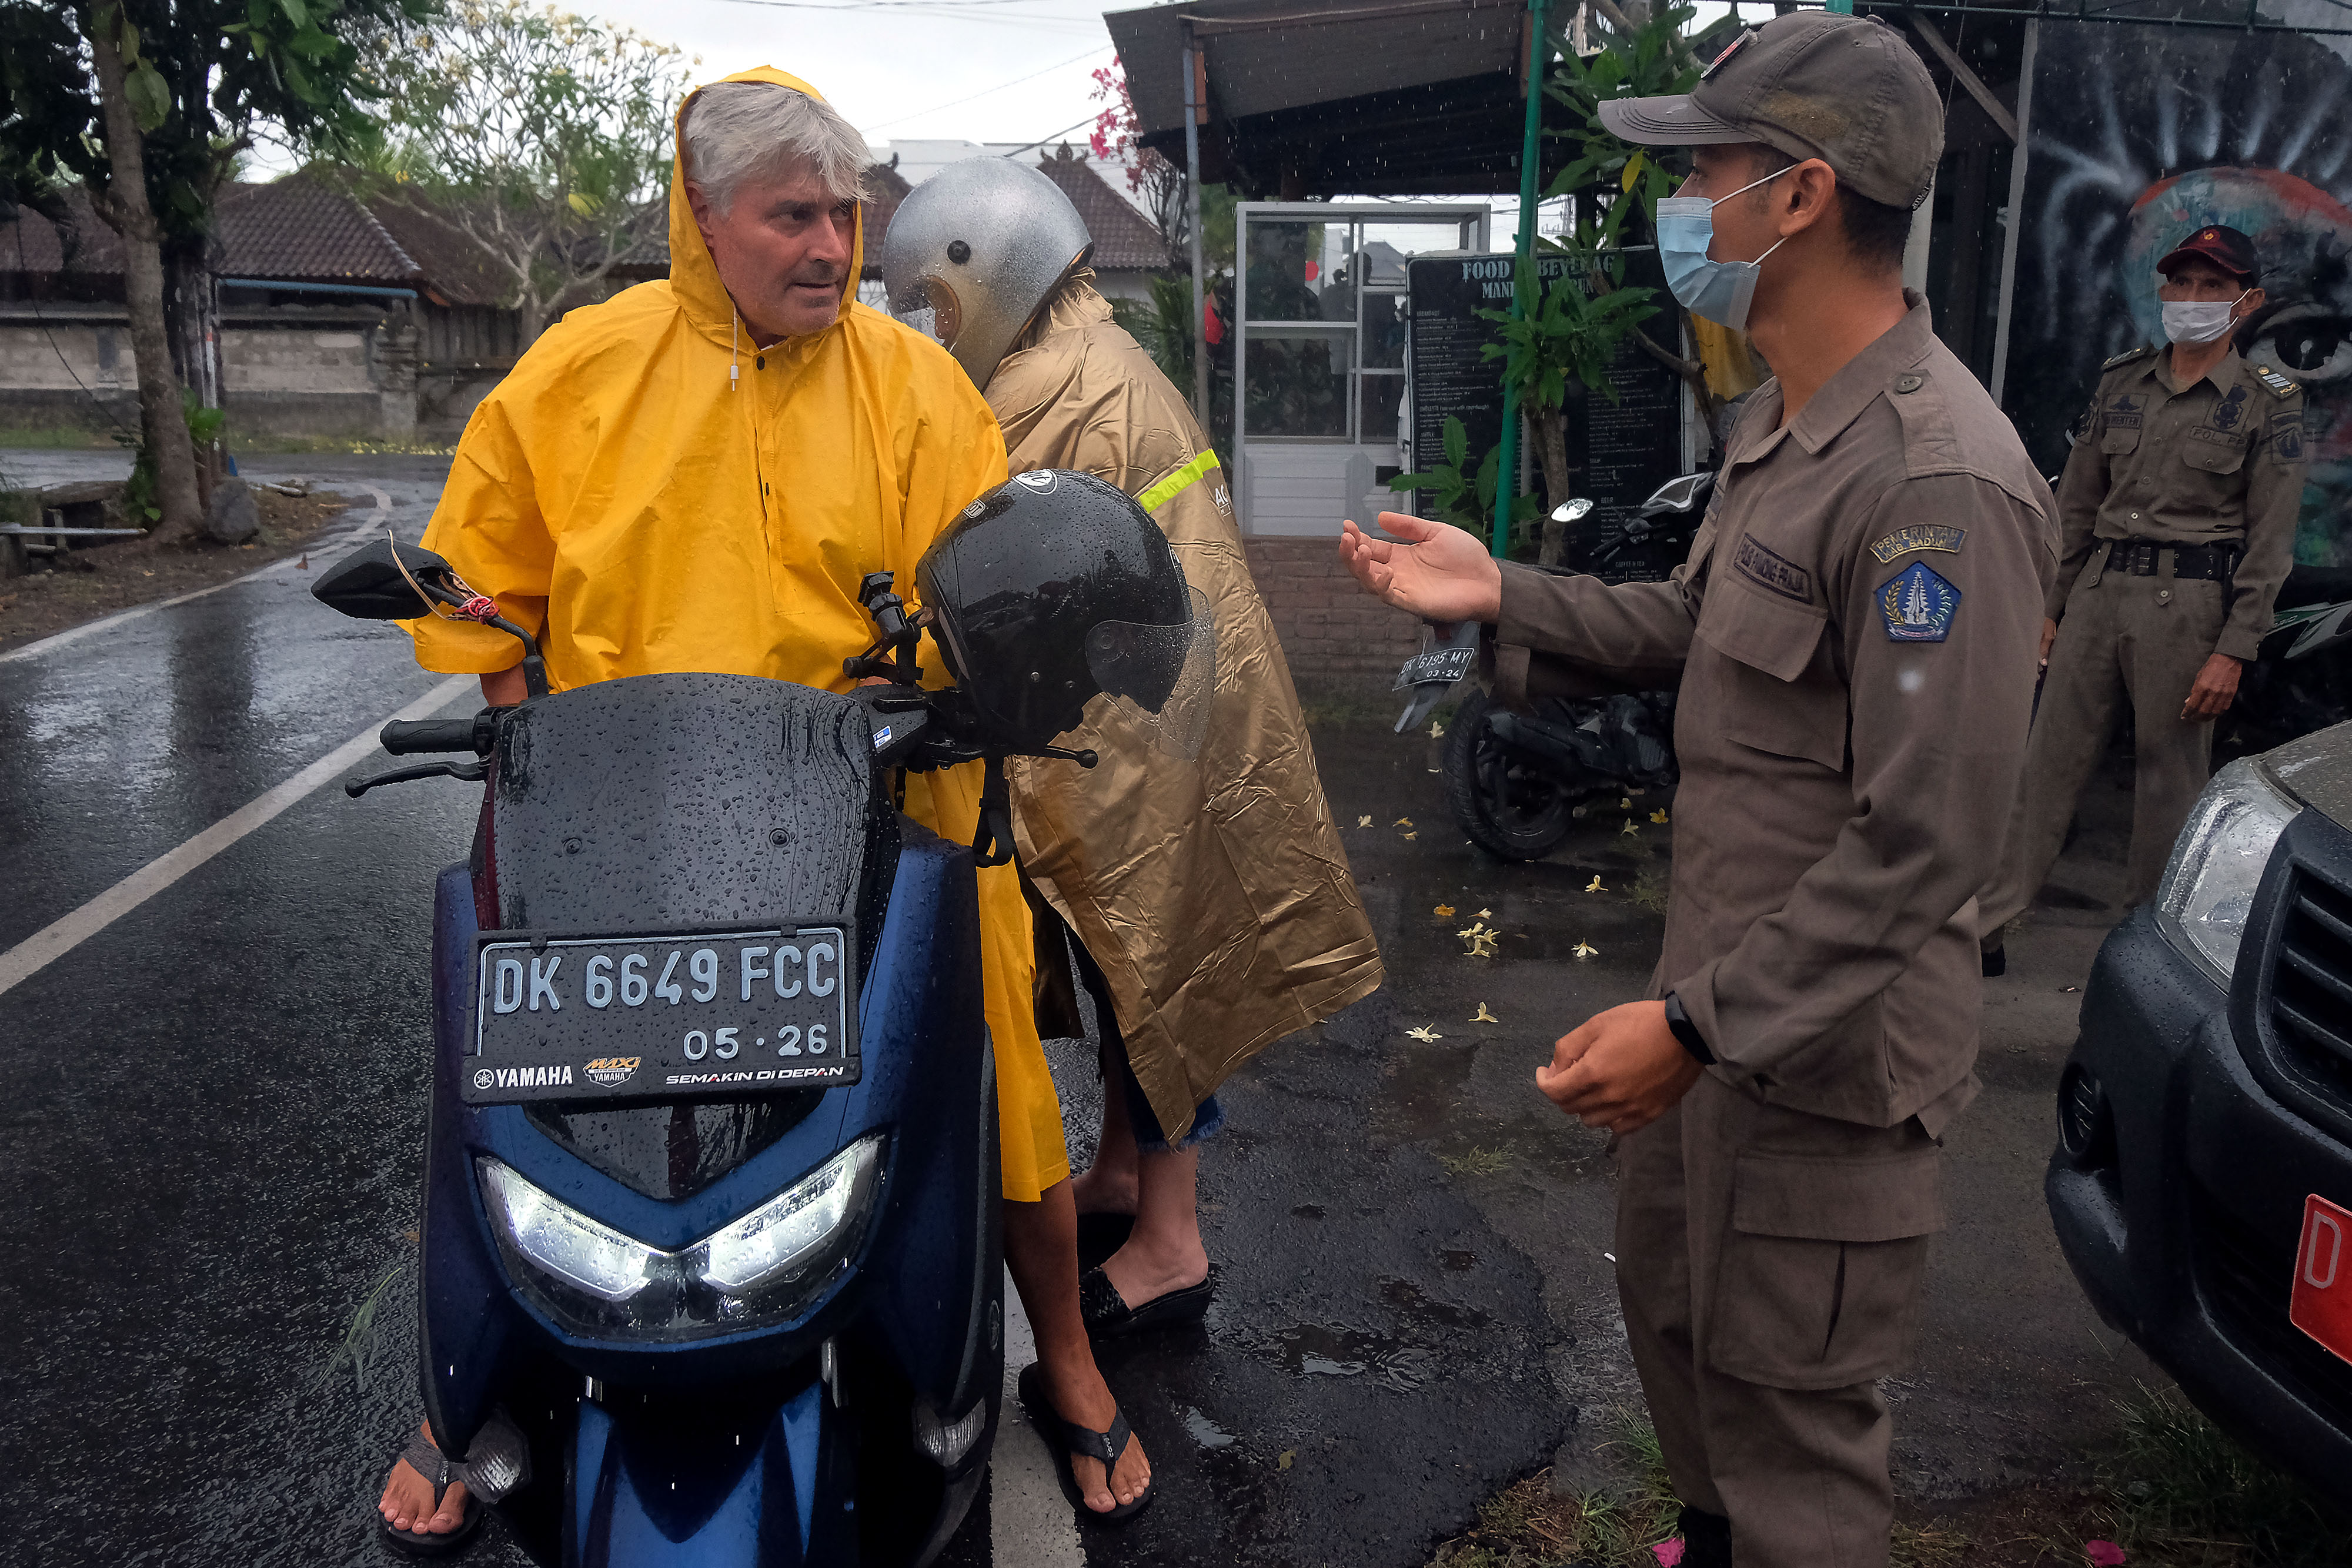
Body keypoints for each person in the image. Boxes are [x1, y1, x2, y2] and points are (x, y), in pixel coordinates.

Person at [373, 70, 1151, 1551]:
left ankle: (1062, 1352)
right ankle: (455, 1390)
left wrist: (996, 669)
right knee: (503, 1098)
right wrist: (523, 768)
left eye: (846, 213)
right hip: (619, 841)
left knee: (1000, 1092)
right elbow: (485, 595)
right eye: (790, 214)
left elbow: (987, 590)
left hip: (881, 813)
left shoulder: (918, 387)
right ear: (702, 216)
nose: (832, 245)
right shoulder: (577, 372)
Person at [1336, 14, 2056, 1566]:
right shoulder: (1786, 424)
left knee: (1793, 1458)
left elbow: (1928, 837)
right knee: (1696, 1391)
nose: (1681, 203)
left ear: (1799, 198)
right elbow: (1698, 627)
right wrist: (1503, 597)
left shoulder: (1937, 478)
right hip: (1715, 1026)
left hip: (1820, 1069)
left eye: (1704, 169)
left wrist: (1702, 1028)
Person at [881, 158, 1382, 1337]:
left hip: (1132, 714)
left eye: (930, 304)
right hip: (1162, 695)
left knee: (1154, 960)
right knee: (1129, 961)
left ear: (983, 275)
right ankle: (1119, 1169)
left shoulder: (1045, 386)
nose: (925, 330)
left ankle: (1169, 1239)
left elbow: (940, 537)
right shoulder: (1098, 353)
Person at [1980, 224, 2307, 964]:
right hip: (2100, 591)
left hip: (2189, 606)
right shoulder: (2122, 381)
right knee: (2043, 766)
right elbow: (2078, 508)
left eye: (2212, 287)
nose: (2191, 299)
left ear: (2246, 301)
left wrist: (2234, 648)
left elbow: (2270, 541)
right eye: (2181, 284)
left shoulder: (2266, 402)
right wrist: (2049, 607)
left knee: (2168, 782)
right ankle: (1983, 926)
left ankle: (2143, 949)